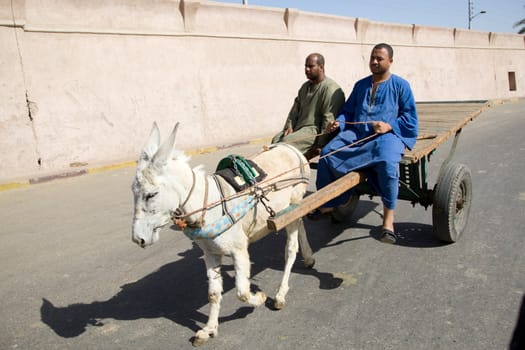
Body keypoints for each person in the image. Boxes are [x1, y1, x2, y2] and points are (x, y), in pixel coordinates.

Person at [311, 43, 418, 244]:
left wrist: (388, 126)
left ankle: (388, 219)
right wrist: (339, 123)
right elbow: (348, 110)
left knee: (387, 163)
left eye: (380, 58)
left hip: (386, 137)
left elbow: (410, 118)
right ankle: (330, 203)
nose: (375, 62)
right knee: (327, 153)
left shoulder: (401, 86)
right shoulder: (361, 85)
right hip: (357, 133)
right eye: (372, 58)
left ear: (390, 61)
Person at [272, 53, 345, 159]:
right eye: (305, 66)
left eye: (311, 66)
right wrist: (289, 126)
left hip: (314, 131)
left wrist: (320, 145)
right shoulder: (305, 86)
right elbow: (295, 109)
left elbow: (328, 120)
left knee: (284, 145)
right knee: (275, 140)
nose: (306, 69)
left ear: (321, 67)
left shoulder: (330, 89)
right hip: (299, 128)